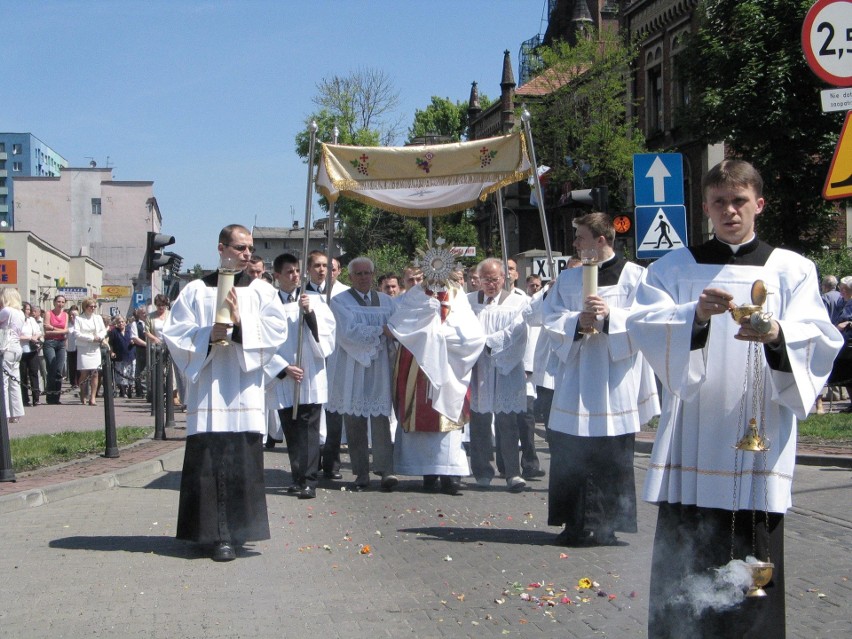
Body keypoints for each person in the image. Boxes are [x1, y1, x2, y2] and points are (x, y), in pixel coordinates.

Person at [626, 160, 842, 638]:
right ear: (705, 207)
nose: (730, 211)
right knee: (689, 553)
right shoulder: (674, 268)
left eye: (739, 201)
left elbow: (821, 338)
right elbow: (643, 324)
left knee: (756, 561)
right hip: (694, 439)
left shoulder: (792, 269)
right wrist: (694, 317)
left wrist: (777, 333)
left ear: (758, 204)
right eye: (719, 201)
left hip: (760, 434)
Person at [163, 224, 288, 562]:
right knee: (208, 460)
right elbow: (174, 333)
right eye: (240, 248)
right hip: (208, 392)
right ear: (222, 249)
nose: (247, 254)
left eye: (249, 249)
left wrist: (238, 330)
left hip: (244, 392)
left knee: (241, 460)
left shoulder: (262, 291)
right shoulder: (194, 291)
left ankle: (234, 533)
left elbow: (277, 331)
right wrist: (209, 333)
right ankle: (208, 533)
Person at [542, 212, 660, 546]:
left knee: (611, 454)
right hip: (577, 377)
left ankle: (608, 524)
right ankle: (575, 524)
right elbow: (549, 318)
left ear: (601, 240)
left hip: (614, 381)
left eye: (580, 237)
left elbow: (648, 321)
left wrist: (611, 317)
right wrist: (575, 323)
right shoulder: (567, 281)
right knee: (571, 452)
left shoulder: (636, 277)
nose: (575, 243)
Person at [388, 246, 485, 495]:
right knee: (422, 421)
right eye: (431, 269)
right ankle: (428, 472)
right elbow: (400, 327)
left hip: (450, 367)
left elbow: (472, 334)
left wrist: (441, 337)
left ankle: (451, 474)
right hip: (418, 367)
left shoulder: (457, 295)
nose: (436, 275)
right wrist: (427, 336)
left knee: (448, 421)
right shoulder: (415, 296)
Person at [265, 253, 336, 499]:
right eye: (289, 272)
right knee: (292, 430)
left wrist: (309, 314)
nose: (295, 276)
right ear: (277, 276)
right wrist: (283, 367)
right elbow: (262, 343)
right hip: (284, 375)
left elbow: (327, 338)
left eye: (297, 271)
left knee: (309, 430)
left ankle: (309, 480)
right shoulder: (268, 305)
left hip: (310, 375)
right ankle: (297, 476)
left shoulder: (314, 300)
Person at [327, 256, 398, 492]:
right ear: (350, 276)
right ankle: (360, 472)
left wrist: (392, 333)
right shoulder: (340, 302)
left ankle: (385, 469)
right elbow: (347, 332)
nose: (364, 277)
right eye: (358, 274)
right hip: (351, 367)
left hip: (380, 368)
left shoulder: (388, 302)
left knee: (380, 419)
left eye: (367, 273)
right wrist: (381, 330)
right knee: (355, 421)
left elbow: (398, 329)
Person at [467, 258, 530, 492]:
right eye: (485, 279)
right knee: (480, 420)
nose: (491, 284)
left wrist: (487, 343)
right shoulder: (469, 302)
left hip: (506, 367)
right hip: (478, 368)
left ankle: (512, 472)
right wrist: (474, 347)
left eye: (495, 279)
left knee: (508, 421)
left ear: (504, 278)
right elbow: (461, 330)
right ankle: (482, 470)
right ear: (478, 280)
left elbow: (518, 333)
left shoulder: (518, 302)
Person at [303, 250, 349, 479]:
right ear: (309, 269)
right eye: (318, 266)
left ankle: (332, 461)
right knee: (312, 410)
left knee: (333, 410)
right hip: (311, 358)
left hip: (337, 356)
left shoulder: (344, 294)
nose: (323, 271)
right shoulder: (301, 294)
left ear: (337, 271)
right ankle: (311, 460)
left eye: (328, 267)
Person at [74, 298, 107, 406]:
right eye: (90, 306)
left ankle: (93, 397)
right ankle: (83, 394)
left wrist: (99, 337)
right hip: (84, 348)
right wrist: (91, 338)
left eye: (94, 306)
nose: (93, 308)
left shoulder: (97, 318)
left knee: (95, 373)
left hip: (95, 348)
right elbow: (77, 334)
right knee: (84, 372)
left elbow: (103, 330)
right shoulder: (79, 319)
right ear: (85, 307)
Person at [0, 288, 26, 423]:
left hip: (6, 347)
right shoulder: (20, 313)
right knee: (14, 381)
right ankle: (16, 413)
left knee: (3, 382)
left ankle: (4, 412)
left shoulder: (6, 311)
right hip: (17, 348)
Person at [42, 295, 69, 405]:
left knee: (59, 371)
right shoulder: (49, 314)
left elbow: (66, 330)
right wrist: (60, 330)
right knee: (51, 369)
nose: (60, 304)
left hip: (61, 344)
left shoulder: (65, 315)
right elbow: (46, 331)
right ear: (54, 302)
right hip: (50, 343)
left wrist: (52, 328)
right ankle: (50, 396)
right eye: (58, 301)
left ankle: (56, 397)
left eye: (62, 302)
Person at [19, 302, 42, 407]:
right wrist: (29, 338)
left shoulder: (31, 320)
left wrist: (35, 336)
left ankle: (36, 398)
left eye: (29, 309)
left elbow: (39, 331)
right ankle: (24, 399)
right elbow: (16, 335)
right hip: (21, 350)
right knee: (23, 375)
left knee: (34, 373)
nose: (28, 312)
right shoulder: (18, 321)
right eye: (26, 309)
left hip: (32, 350)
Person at [108, 315, 134, 398]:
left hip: (130, 354)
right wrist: (111, 352)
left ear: (125, 322)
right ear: (116, 323)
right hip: (119, 356)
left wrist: (133, 341)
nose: (121, 323)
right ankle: (123, 391)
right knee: (121, 374)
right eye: (119, 322)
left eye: (122, 322)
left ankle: (130, 389)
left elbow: (135, 338)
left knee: (131, 373)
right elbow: (110, 344)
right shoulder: (113, 332)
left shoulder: (130, 330)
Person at [65, 306, 79, 392]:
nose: (71, 317)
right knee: (72, 365)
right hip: (70, 348)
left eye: (73, 315)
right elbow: (65, 335)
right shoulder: (68, 324)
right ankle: (73, 382)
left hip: (79, 347)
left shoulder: (79, 324)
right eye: (70, 315)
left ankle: (79, 381)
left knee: (79, 366)